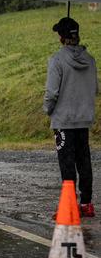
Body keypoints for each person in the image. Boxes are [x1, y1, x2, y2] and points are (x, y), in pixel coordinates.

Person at [44, 17, 98, 217]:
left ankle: (69, 206)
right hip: (83, 119)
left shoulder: (56, 60)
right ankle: (86, 203)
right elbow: (95, 88)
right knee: (84, 160)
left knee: (67, 163)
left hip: (64, 120)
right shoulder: (90, 60)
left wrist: (48, 110)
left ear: (61, 37)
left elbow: (51, 93)